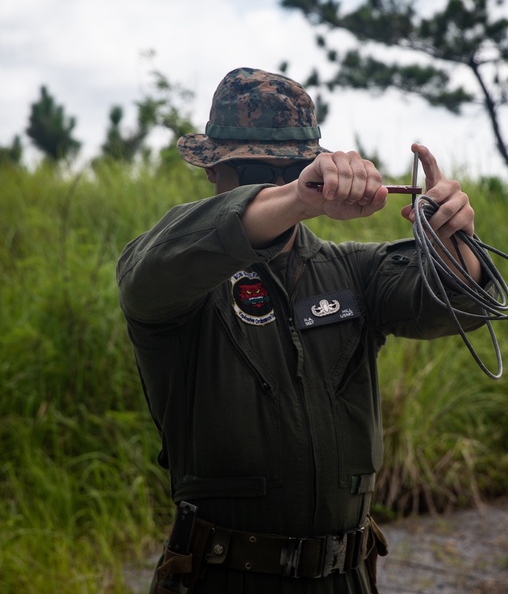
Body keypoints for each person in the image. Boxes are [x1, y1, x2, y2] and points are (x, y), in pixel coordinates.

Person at [116, 67, 484, 593]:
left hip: (346, 578)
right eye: (251, 171)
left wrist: (452, 234)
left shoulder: (355, 270)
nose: (281, 184)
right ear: (212, 175)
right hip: (221, 578)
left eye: (292, 168)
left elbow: (453, 303)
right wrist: (298, 198)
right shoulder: (178, 271)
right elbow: (149, 272)